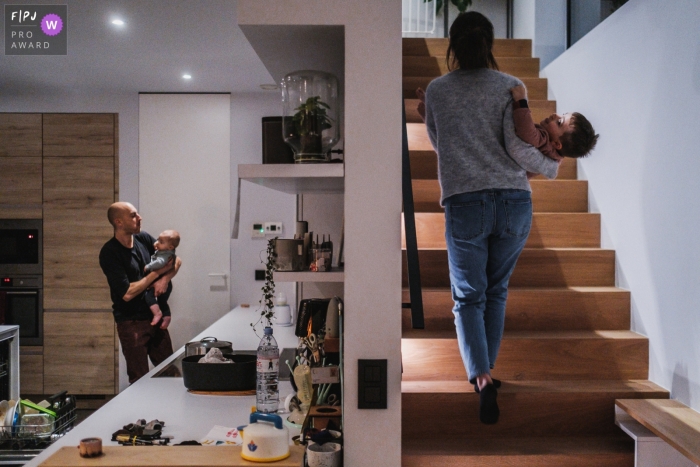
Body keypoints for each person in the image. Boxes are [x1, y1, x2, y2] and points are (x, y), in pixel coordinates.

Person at [422, 12, 559, 424]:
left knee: (469, 297)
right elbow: (518, 145)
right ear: (491, 43)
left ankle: (480, 378)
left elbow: (438, 142)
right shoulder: (509, 85)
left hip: (466, 203)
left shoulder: (436, 90)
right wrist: (550, 165)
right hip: (515, 201)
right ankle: (488, 372)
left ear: (452, 46)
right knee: (496, 291)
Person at [99, 202, 182, 384]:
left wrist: (165, 280)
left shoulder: (143, 238)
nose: (139, 217)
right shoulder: (110, 252)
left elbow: (175, 260)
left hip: (155, 320)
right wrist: (158, 273)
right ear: (119, 222)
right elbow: (127, 293)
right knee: (139, 378)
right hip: (131, 322)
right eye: (133, 215)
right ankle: (141, 413)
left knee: (170, 373)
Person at [509, 85, 598, 176]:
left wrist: (521, 100)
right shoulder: (555, 158)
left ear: (556, 144)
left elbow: (526, 131)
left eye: (559, 122)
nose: (555, 115)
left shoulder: (544, 141)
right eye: (563, 114)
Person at [143, 229, 180, 326]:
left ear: (170, 247)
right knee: (162, 301)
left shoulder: (165, 254)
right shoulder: (166, 250)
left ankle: (157, 313)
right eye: (158, 239)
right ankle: (167, 316)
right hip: (167, 284)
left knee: (148, 296)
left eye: (161, 242)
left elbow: (160, 262)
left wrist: (148, 267)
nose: (157, 242)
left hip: (160, 282)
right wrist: (157, 244)